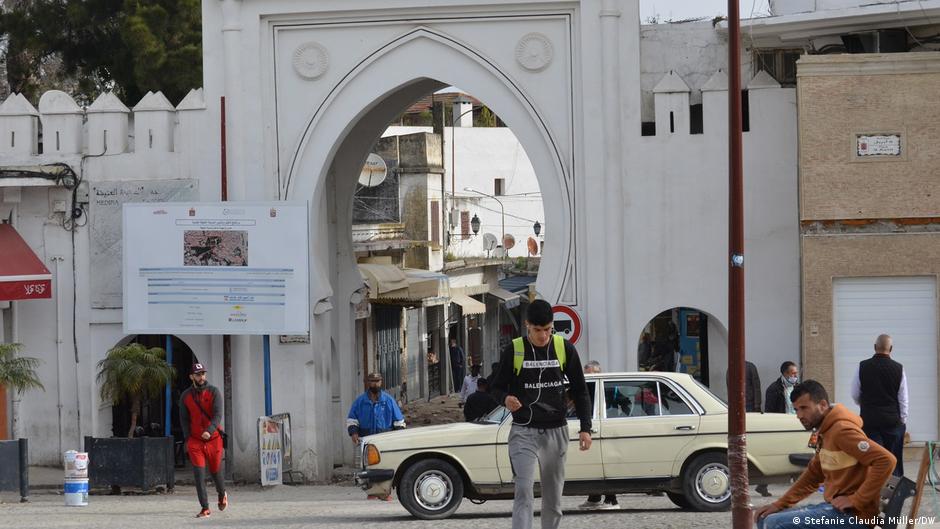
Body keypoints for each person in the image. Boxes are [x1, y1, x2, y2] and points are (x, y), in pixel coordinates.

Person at [490, 299, 593, 529]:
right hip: (524, 430)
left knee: (553, 496)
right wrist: (505, 399)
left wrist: (586, 428)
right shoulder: (515, 350)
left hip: (556, 429)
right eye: (538, 330)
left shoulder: (563, 348)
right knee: (524, 490)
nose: (543, 336)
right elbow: (495, 387)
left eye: (547, 329)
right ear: (527, 325)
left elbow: (580, 390)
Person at [753, 380, 896, 529]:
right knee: (766, 518)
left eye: (804, 408)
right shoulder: (825, 431)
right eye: (796, 409)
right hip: (838, 511)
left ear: (822, 405)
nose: (799, 415)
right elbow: (813, 476)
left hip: (854, 517)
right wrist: (779, 504)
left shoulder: (841, 431)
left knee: (775, 523)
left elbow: (886, 460)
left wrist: (856, 499)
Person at [851, 334, 908, 477]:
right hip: (892, 422)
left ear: (875, 347)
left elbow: (854, 393)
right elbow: (903, 398)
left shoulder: (862, 366)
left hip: (869, 421)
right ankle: (893, 491)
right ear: (891, 349)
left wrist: (864, 404)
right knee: (894, 459)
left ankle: (872, 491)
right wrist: (902, 420)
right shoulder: (899, 369)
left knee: (873, 459)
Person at [179, 362, 228, 518]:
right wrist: (188, 439)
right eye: (198, 374)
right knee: (198, 475)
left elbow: (218, 415)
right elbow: (184, 419)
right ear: (191, 376)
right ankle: (205, 508)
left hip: (213, 439)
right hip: (195, 440)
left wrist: (210, 430)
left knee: (215, 472)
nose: (201, 377)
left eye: (203, 374)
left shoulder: (214, 392)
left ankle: (222, 494)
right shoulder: (185, 396)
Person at [578, 360, 618, 510]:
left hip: (604, 429)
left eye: (595, 373)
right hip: (590, 429)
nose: (591, 376)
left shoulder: (607, 388)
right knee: (593, 464)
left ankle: (611, 500)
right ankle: (594, 498)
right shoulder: (585, 387)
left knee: (606, 464)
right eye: (588, 374)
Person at [757, 361, 799, 497]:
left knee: (797, 456)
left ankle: (797, 486)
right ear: (785, 373)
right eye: (793, 374)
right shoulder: (774, 389)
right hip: (782, 427)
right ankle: (762, 484)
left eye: (796, 373)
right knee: (780, 457)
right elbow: (770, 411)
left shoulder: (798, 387)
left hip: (797, 425)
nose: (795, 376)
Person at [346, 372, 405, 446]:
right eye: (372, 381)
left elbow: (399, 421)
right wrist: (354, 433)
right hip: (366, 442)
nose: (375, 384)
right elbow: (352, 420)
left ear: (381, 382)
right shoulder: (360, 402)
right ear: (368, 382)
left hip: (386, 442)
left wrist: (398, 437)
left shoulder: (389, 401)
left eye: (377, 381)